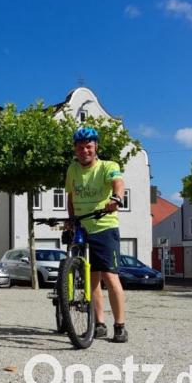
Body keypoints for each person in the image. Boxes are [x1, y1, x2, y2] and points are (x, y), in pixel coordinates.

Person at [66, 127, 128, 343]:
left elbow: (118, 184)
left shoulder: (108, 166)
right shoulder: (72, 169)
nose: (85, 150)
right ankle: (98, 323)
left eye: (89, 147)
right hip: (82, 227)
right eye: (81, 147)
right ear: (76, 149)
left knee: (110, 277)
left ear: (95, 147)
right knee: (91, 279)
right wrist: (71, 220)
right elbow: (71, 197)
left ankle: (120, 326)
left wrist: (117, 199)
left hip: (104, 226)